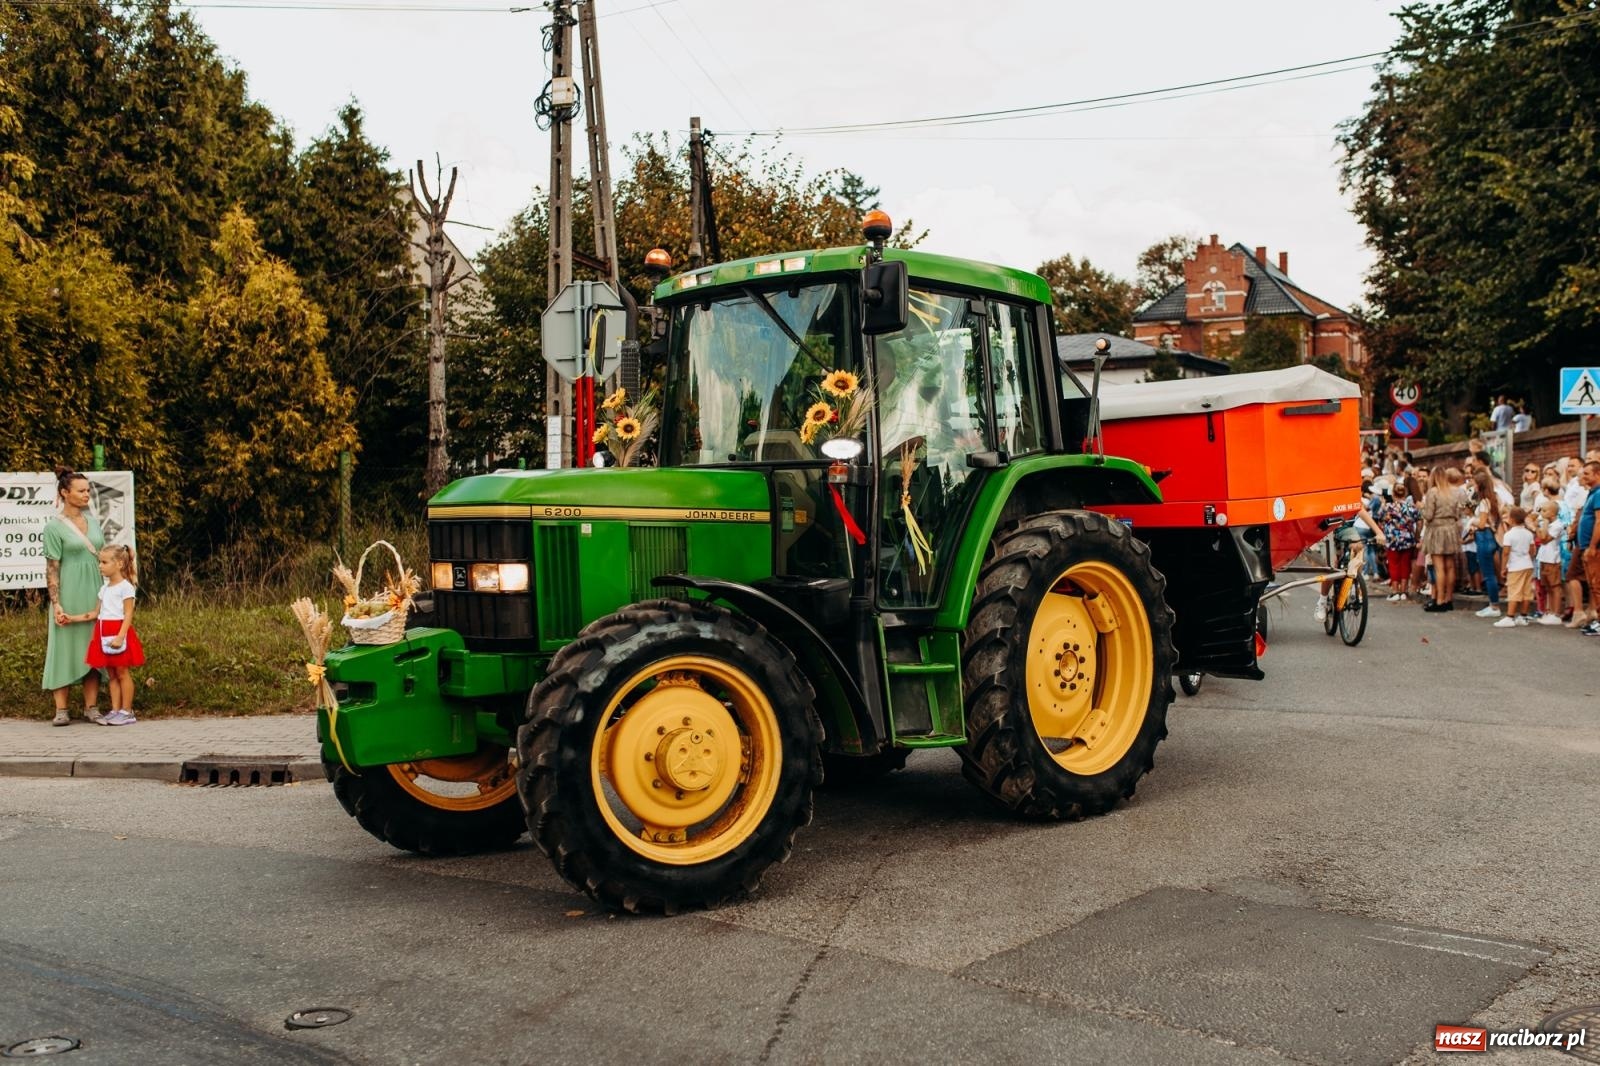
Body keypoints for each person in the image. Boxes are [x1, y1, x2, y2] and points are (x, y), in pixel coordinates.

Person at [41, 467, 105, 725]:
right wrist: (57, 603)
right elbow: (52, 568)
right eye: (80, 491)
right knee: (64, 647)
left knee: (93, 647)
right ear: (65, 493)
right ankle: (61, 710)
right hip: (69, 591)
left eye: (88, 490)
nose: (86, 495)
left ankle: (91, 707)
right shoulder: (53, 528)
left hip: (95, 590)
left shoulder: (94, 521)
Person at [83, 544, 142, 724]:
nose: (100, 566)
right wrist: (70, 618)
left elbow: (128, 613)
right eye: (99, 562)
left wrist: (120, 636)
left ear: (119, 564)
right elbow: (95, 613)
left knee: (122, 672)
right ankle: (115, 709)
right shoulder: (105, 588)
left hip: (118, 633)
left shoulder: (126, 587)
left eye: (104, 562)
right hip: (103, 633)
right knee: (112, 675)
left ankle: (127, 711)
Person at [1469, 468, 1512, 618]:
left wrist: (1471, 521)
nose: (1473, 486)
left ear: (1479, 485)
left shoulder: (1483, 502)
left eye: (1474, 484)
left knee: (1488, 574)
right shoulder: (1494, 499)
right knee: (1490, 572)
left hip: (1483, 536)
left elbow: (1481, 524)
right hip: (1491, 537)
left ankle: (1494, 605)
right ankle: (1493, 604)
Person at [1419, 466, 1463, 612]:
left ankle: (1439, 600)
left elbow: (1429, 515)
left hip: (1437, 529)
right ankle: (1449, 599)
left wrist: (1421, 508)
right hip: (1451, 529)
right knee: (1450, 566)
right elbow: (1458, 512)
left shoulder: (1433, 492)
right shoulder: (1455, 492)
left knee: (1439, 567)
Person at [1377, 482, 1420, 601]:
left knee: (1393, 564)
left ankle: (1395, 591)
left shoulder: (1387, 507)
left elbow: (1379, 517)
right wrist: (1416, 537)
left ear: (1393, 494)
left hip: (1392, 539)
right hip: (1407, 538)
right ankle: (1404, 591)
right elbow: (1419, 520)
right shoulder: (1411, 507)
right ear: (1405, 493)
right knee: (1405, 564)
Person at [1495, 506, 1535, 628]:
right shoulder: (1528, 534)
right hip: (1527, 564)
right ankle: (1523, 616)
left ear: (1511, 520)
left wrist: (1503, 567)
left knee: (1514, 591)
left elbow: (1506, 552)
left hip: (1515, 566)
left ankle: (1510, 616)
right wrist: (1529, 558)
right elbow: (1532, 549)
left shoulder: (1509, 535)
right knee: (1526, 591)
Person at [1576, 460, 1600, 636]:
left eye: (1586, 473)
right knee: (1593, 585)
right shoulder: (1592, 493)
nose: (1582, 476)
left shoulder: (1598, 493)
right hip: (1587, 546)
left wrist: (1592, 547)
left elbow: (1599, 521)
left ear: (1597, 474)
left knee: (1597, 585)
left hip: (1595, 548)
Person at [1535, 498, 1566, 625]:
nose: (1541, 512)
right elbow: (1539, 535)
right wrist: (1539, 526)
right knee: (1547, 586)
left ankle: (1556, 613)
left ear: (1553, 513)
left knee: (1555, 586)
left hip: (1552, 559)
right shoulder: (1545, 524)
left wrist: (1544, 524)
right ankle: (1549, 611)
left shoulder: (1557, 525)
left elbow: (1544, 539)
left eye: (1544, 510)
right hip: (1543, 557)